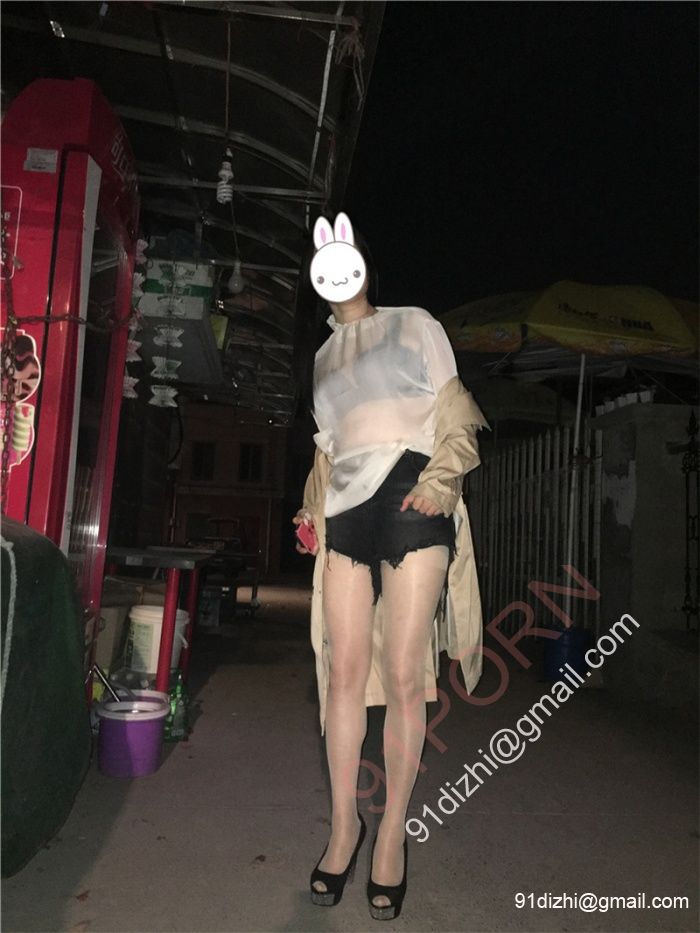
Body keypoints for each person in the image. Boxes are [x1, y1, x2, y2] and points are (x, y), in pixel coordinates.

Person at [293, 212, 488, 921]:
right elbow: (329, 449)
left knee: (405, 671)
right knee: (343, 671)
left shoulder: (414, 324)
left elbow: (455, 410)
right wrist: (311, 510)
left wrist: (442, 480)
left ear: (363, 263)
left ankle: (393, 835)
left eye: (347, 256)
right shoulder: (322, 358)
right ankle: (345, 827)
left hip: (412, 492)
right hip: (347, 508)